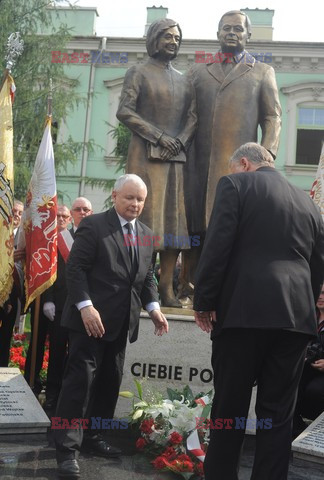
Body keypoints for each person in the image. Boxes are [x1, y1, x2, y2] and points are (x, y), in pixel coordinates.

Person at [193, 143, 324, 480]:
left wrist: (204, 302)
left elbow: (217, 246)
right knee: (279, 413)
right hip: (295, 321)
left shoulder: (234, 184)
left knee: (230, 408)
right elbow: (317, 265)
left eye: (234, 166)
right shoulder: (307, 201)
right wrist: (305, 309)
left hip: (242, 315)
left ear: (244, 164)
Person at [54, 174, 168, 478]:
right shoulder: (94, 225)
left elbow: (146, 278)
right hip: (88, 322)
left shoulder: (146, 233)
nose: (134, 204)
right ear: (115, 196)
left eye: (140, 199)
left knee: (108, 384)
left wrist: (154, 308)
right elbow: (75, 268)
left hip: (120, 326)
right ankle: (66, 449)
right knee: (80, 385)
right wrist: (85, 306)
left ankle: (93, 437)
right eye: (129, 197)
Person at [183, 10, 281, 286]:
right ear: (217, 34)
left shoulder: (262, 72)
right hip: (197, 163)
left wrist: (266, 157)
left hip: (242, 167)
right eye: (226, 28)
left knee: (230, 226)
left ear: (248, 35)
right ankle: (187, 284)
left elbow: (272, 117)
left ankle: (227, 286)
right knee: (195, 226)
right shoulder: (197, 71)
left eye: (238, 29)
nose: (232, 33)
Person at [117, 18, 196, 307]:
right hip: (145, 156)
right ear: (153, 39)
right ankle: (140, 286)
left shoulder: (185, 79)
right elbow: (125, 111)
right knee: (146, 220)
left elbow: (193, 118)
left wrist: (180, 141)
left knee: (174, 224)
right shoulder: (137, 72)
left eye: (177, 38)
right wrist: (160, 136)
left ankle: (166, 289)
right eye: (166, 37)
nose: (173, 42)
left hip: (175, 158)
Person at [42, 205, 72, 415]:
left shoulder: (85, 238)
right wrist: (48, 300)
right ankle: (51, 394)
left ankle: (68, 397)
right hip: (59, 307)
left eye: (65, 216)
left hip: (82, 308)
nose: (61, 219)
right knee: (57, 353)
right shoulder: (53, 240)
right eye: (58, 215)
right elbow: (47, 273)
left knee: (76, 357)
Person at [294, 286, 324, 434]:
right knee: (288, 384)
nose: (320, 296)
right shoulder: (307, 316)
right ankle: (295, 428)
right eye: (318, 292)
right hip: (306, 368)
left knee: (315, 391)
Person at [0, 200, 25, 366]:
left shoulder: (25, 237)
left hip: (13, 298)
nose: (16, 215)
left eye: (20, 213)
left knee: (4, 341)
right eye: (14, 211)